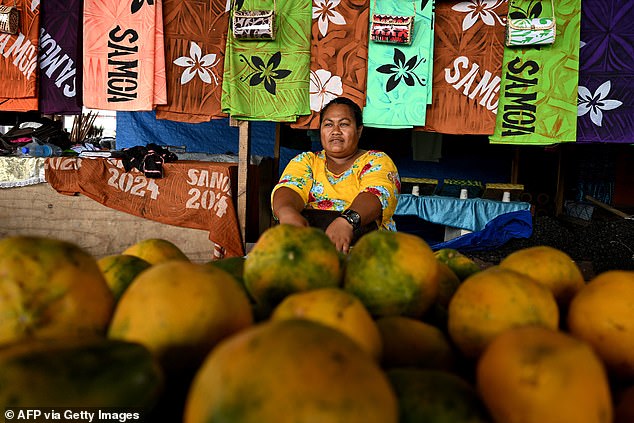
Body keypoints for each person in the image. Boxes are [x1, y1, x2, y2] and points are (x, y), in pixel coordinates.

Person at [271, 96, 401, 253]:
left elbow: (377, 194)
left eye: (344, 124)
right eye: (328, 124)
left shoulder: (377, 161)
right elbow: (290, 187)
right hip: (309, 251)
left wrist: (347, 222)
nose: (335, 131)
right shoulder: (306, 161)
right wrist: (287, 213)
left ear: (359, 130)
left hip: (368, 253)